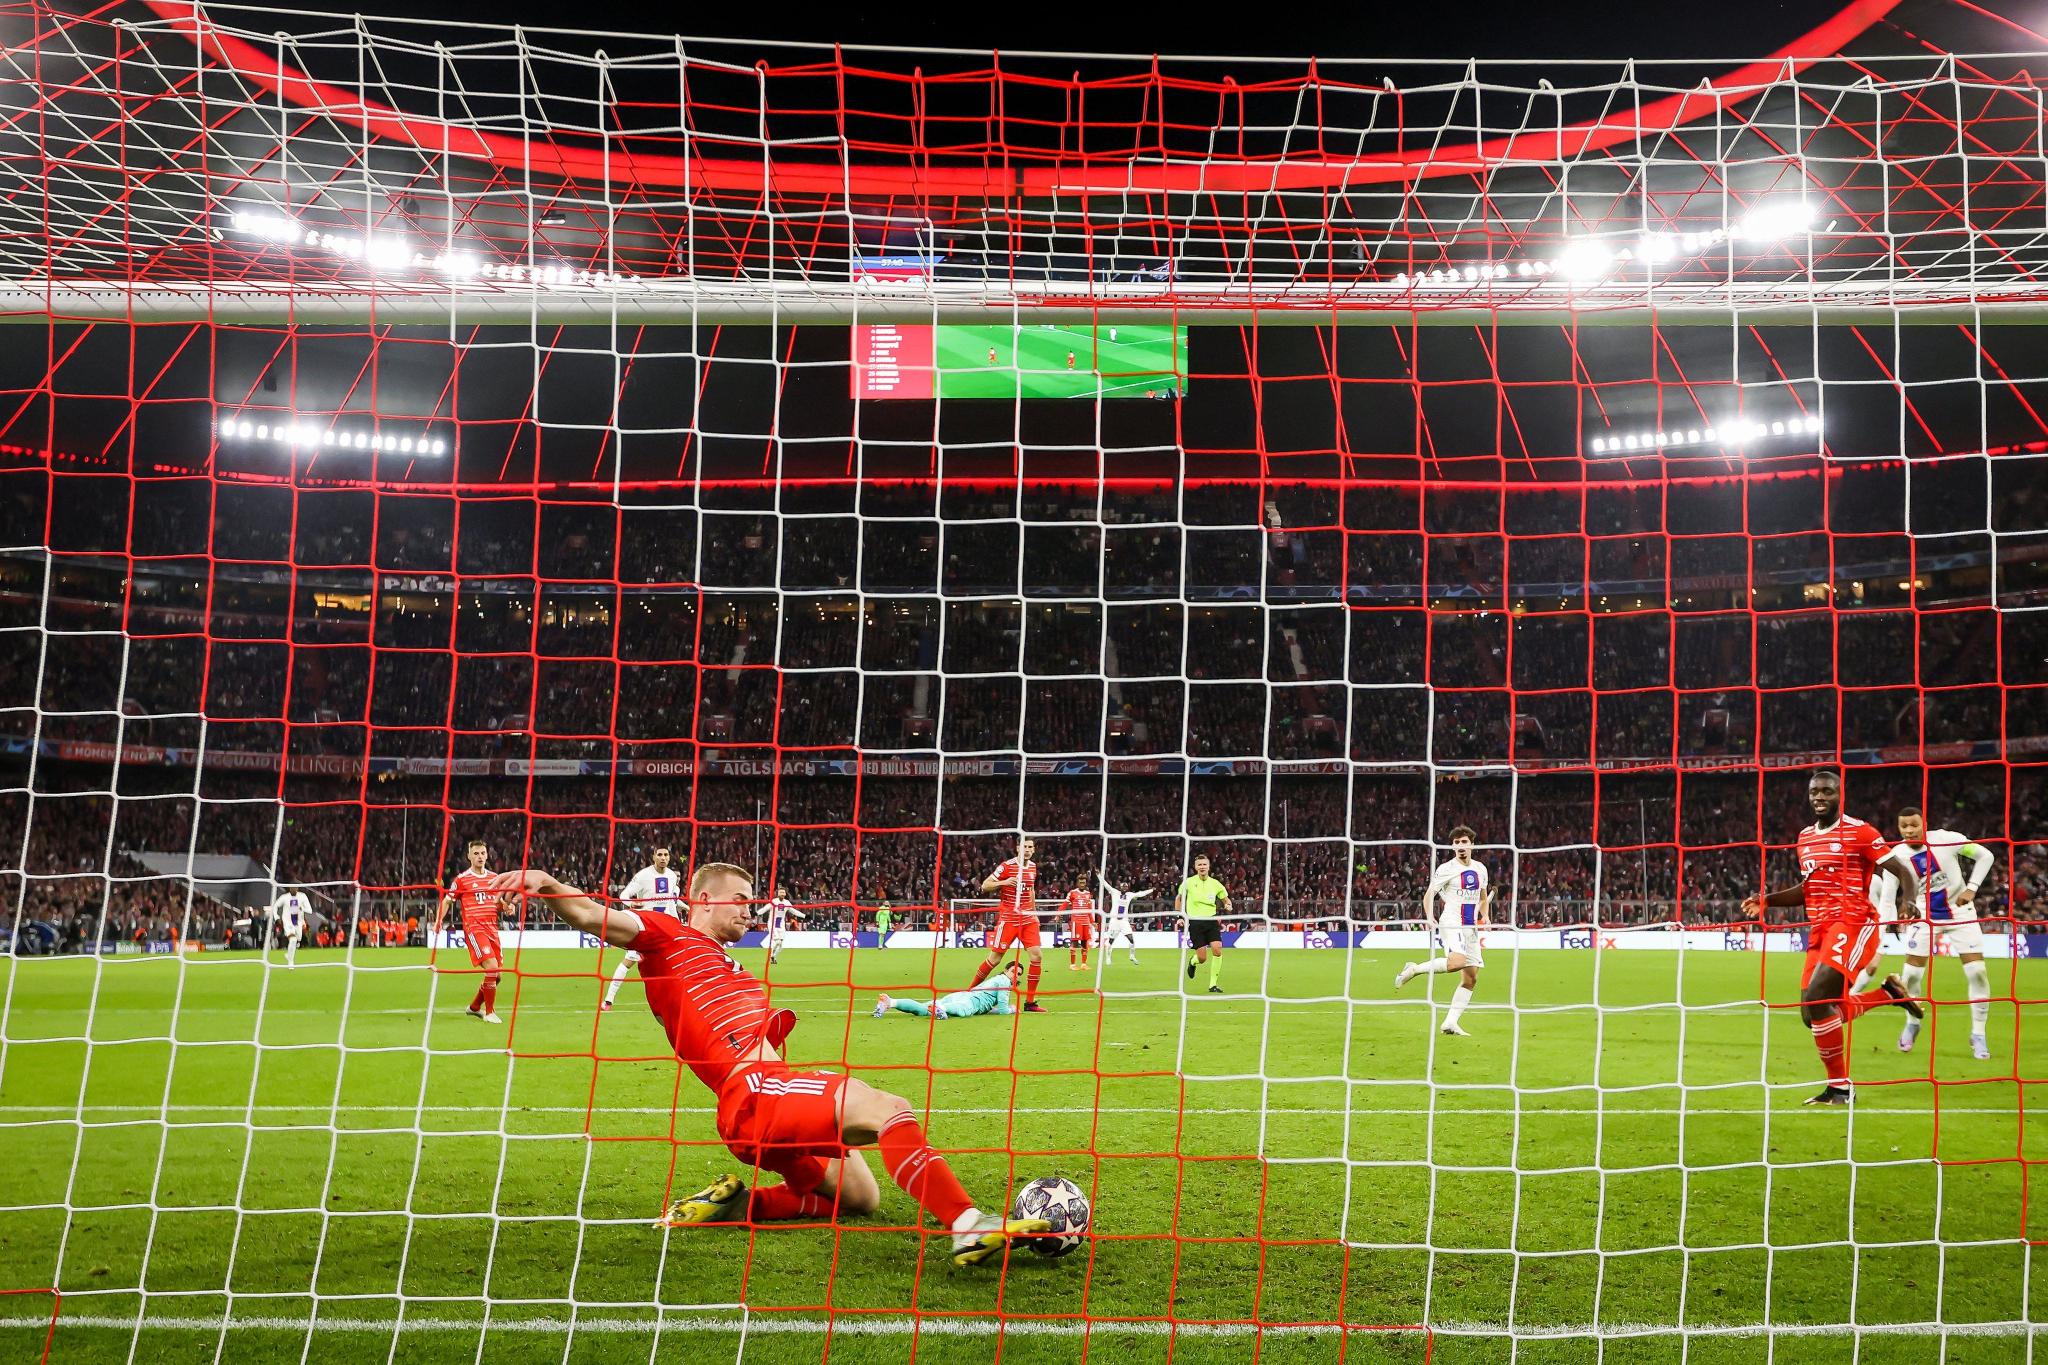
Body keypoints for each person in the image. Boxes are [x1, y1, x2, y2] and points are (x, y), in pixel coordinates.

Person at [486, 861, 1049, 1266]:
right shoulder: (670, 936)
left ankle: (738, 1206)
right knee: (889, 1109)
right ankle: (967, 1224)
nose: (749, 909)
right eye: (740, 899)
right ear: (703, 900)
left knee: (862, 1198)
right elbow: (594, 916)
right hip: (754, 1090)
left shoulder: (725, 963)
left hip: (759, 1106)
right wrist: (547, 884)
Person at [1742, 770, 1924, 1106]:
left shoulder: (1859, 831)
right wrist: (1768, 900)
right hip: (1820, 928)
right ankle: (1887, 994)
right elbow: (1807, 888)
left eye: (1826, 791)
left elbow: (1903, 870)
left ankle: (1840, 1088)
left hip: (1854, 923)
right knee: (1812, 1015)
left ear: (1840, 794)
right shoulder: (1805, 837)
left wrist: (1908, 900)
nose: (1819, 797)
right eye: (1814, 792)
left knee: (1817, 997)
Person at [1875, 808, 1997, 1061]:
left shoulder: (1945, 839)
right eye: (1904, 826)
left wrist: (1972, 888)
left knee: (1977, 972)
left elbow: (1986, 855)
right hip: (1923, 916)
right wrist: (1887, 924)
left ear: (1924, 824)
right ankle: (1913, 1022)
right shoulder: (1895, 857)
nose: (1909, 830)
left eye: (1914, 825)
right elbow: (1887, 898)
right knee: (1910, 976)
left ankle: (1978, 1034)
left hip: (1960, 912)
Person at [1396, 826, 1491, 1036]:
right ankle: (1414, 969)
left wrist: (1485, 915)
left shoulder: (1481, 869)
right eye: (1456, 843)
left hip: (1470, 926)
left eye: (1464, 842)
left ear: (1472, 845)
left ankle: (1450, 1023)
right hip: (1452, 921)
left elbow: (1483, 897)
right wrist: (1430, 916)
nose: (1460, 846)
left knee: (1471, 978)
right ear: (1452, 846)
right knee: (1456, 961)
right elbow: (1429, 894)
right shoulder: (1446, 869)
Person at [433, 839, 506, 1024]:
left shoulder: (494, 878)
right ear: (469, 857)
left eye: (482, 853)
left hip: (492, 929)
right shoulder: (462, 879)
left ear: (487, 855)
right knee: (492, 968)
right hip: (475, 929)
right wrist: (438, 920)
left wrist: (506, 907)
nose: (480, 857)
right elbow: (447, 901)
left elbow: (498, 903)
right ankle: (489, 1013)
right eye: (476, 853)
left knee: (497, 976)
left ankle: (474, 1007)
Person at [969, 837, 1046, 1012]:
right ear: (1017, 848)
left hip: (1028, 918)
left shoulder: (1033, 867)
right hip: (1009, 919)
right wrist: (1004, 882)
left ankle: (1030, 1002)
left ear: (1034, 850)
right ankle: (970, 991)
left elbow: (1031, 890)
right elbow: (985, 885)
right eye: (1024, 846)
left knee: (1037, 956)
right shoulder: (1006, 866)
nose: (1027, 850)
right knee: (995, 959)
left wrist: (1034, 912)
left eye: (1030, 847)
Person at [607, 847, 683, 1012]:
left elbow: (671, 903)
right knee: (628, 962)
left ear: (669, 857)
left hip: (665, 929)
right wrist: (632, 903)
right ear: (653, 857)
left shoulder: (671, 876)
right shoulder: (643, 876)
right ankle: (608, 999)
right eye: (659, 855)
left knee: (673, 963)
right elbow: (624, 895)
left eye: (666, 855)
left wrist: (677, 924)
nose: (663, 858)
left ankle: (673, 1001)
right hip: (646, 928)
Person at [873, 963, 1023, 1020]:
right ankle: (941, 1008)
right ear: (1006, 970)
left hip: (960, 996)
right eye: (1013, 971)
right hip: (970, 1001)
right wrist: (1012, 1009)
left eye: (1018, 974)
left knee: (923, 1010)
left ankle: (890, 1002)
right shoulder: (1004, 981)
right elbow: (1003, 1010)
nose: (1015, 975)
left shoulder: (997, 979)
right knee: (963, 1011)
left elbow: (990, 1008)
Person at [1176, 854, 1231, 994]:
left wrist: (1228, 905)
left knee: (1217, 950)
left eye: (1204, 864)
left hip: (1211, 921)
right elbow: (1179, 898)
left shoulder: (1215, 884)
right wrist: (1180, 916)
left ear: (1208, 866)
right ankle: (1192, 962)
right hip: (1195, 922)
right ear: (1195, 867)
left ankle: (1213, 985)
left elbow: (1226, 899)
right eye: (1199, 865)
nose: (1202, 867)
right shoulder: (1188, 882)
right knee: (1202, 958)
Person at [1098, 873, 1150, 965]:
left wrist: (1151, 890)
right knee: (1111, 940)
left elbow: (1140, 894)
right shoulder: (1114, 892)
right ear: (1120, 887)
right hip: (1114, 921)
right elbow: (1105, 884)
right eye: (1123, 887)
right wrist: (1099, 875)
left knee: (1131, 939)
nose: (1124, 888)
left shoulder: (1129, 895)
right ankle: (1108, 957)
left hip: (1124, 921)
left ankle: (1132, 956)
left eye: (1126, 887)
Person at [270, 886, 311, 969]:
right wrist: (276, 917)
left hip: (298, 922)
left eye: (295, 888)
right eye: (292, 888)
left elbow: (309, 910)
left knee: (297, 941)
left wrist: (302, 908)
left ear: (297, 889)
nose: (293, 889)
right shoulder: (284, 897)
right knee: (293, 940)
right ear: (289, 888)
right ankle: (290, 963)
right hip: (288, 922)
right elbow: (275, 906)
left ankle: (288, 955)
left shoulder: (302, 896)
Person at [764, 885, 804, 965]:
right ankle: (771, 956)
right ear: (777, 893)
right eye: (781, 892)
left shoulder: (786, 902)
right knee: (778, 941)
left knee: (781, 944)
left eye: (783, 892)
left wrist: (804, 916)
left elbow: (793, 911)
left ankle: (773, 957)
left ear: (785, 894)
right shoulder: (774, 902)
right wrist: (758, 913)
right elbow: (765, 909)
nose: (782, 894)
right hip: (773, 923)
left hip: (781, 923)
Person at [1064, 875, 1096, 971]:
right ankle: (1072, 964)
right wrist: (1058, 914)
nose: (1082, 884)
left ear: (1086, 883)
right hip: (1076, 922)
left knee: (1085, 943)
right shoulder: (1072, 893)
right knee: (1074, 942)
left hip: (1085, 922)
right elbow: (1065, 904)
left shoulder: (1088, 894)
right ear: (1077, 883)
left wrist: (1092, 922)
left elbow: (1089, 910)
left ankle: (1083, 964)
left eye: (1084, 883)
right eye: (1080, 882)